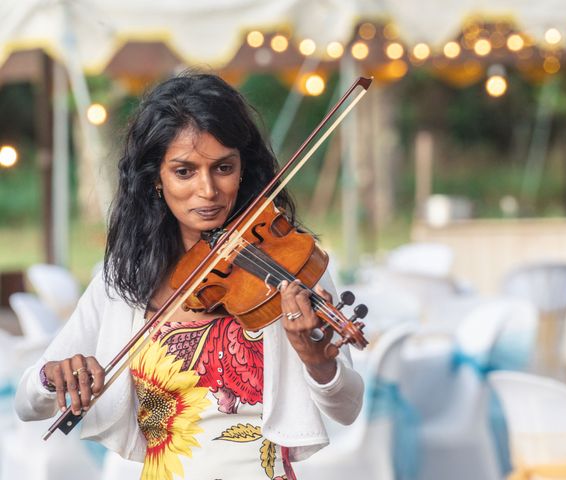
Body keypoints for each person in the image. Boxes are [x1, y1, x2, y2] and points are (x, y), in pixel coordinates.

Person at [15, 72, 364, 480]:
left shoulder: (288, 264)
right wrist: (50, 377)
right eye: (184, 171)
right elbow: (27, 402)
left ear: (242, 169)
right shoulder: (124, 280)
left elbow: (348, 408)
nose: (208, 190)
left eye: (223, 168)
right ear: (156, 179)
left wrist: (319, 364)